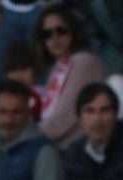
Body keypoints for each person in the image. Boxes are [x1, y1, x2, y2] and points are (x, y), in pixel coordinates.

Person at [33, 5, 111, 145]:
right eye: (47, 34)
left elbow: (64, 117)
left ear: (73, 31)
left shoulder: (84, 62)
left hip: (78, 151)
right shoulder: (57, 66)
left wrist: (26, 140)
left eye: (61, 31)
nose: (54, 38)